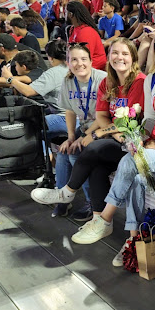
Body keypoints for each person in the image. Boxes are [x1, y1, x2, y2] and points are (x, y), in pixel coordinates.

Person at [68, 29, 155, 260]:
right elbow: (151, 119)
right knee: (136, 176)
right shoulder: (153, 79)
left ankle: (105, 218)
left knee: (130, 160)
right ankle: (134, 240)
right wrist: (139, 139)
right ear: (154, 50)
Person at [30, 38, 146, 225]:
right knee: (93, 167)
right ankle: (98, 221)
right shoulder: (108, 82)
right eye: (115, 53)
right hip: (115, 137)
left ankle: (67, 192)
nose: (119, 57)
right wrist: (79, 135)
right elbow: (102, 115)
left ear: (133, 58)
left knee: (89, 150)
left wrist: (96, 134)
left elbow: (131, 120)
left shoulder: (139, 82)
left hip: (133, 140)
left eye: (125, 53)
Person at [55, 43, 107, 221]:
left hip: (102, 127)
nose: (79, 63)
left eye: (84, 59)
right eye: (74, 59)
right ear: (68, 63)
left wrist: (83, 137)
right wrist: (70, 136)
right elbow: (70, 110)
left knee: (75, 155)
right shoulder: (68, 81)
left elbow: (105, 115)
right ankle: (62, 198)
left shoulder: (102, 79)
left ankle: (91, 203)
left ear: (91, 61)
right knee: (63, 151)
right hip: (84, 126)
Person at [66, 1, 107, 70]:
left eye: (66, 12)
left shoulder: (86, 32)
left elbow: (85, 58)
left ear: (70, 14)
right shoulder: (73, 29)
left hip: (93, 70)